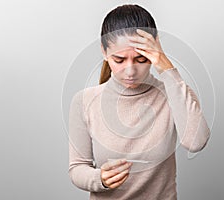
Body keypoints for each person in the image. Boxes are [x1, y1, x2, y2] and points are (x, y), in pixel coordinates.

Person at [68, 4, 210, 200]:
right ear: (104, 51)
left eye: (141, 59)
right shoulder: (84, 101)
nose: (130, 71)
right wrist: (99, 178)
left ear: (155, 49)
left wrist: (166, 66)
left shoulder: (173, 92)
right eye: (119, 60)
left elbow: (196, 142)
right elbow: (77, 168)